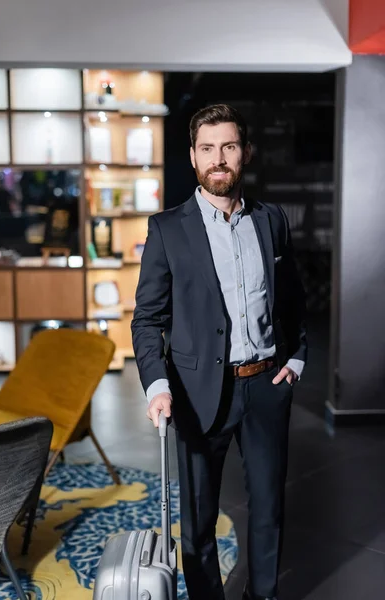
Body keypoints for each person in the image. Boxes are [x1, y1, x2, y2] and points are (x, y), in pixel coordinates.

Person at [131, 104, 307, 600]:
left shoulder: (271, 221)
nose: (219, 159)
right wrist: (158, 385)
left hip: (267, 385)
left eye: (229, 147)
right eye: (207, 148)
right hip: (195, 392)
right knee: (199, 518)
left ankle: (262, 596)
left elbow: (292, 299)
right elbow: (147, 320)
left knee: (269, 508)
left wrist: (296, 358)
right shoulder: (167, 229)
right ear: (192, 157)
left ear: (244, 152)